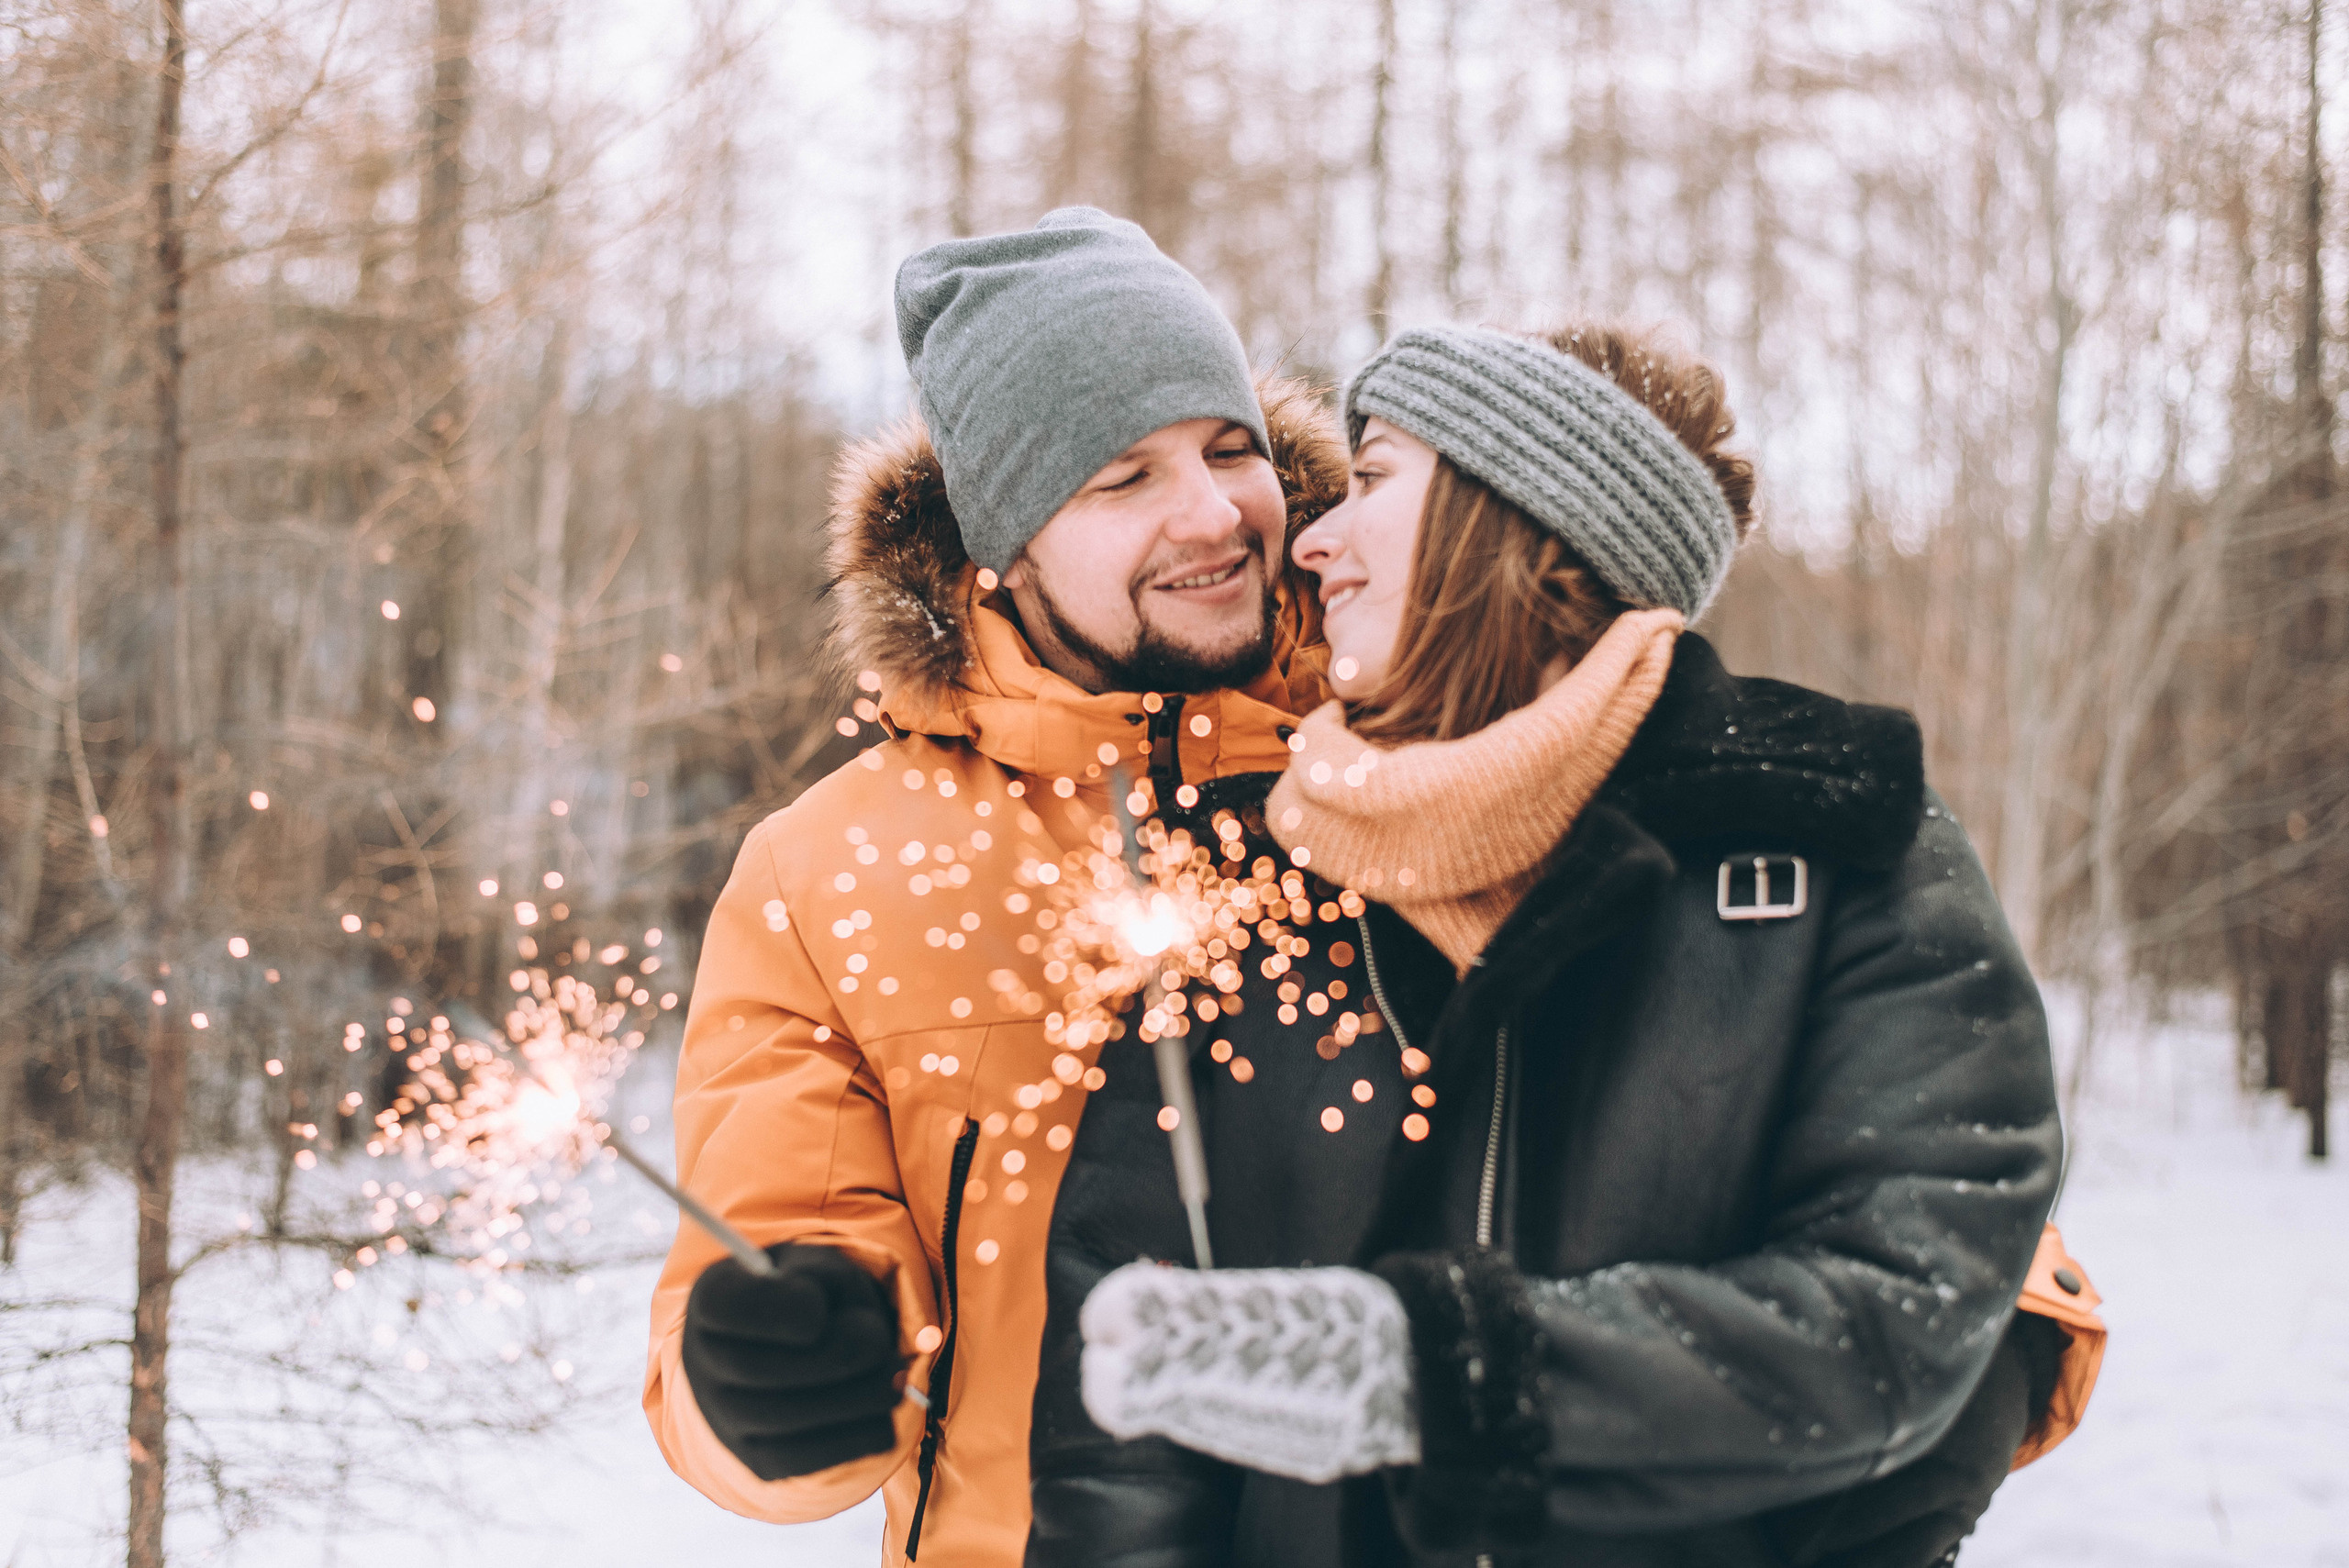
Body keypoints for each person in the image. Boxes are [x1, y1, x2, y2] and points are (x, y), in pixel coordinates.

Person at [1067, 322, 2107, 1567]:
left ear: (1528, 526)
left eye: (1377, 479)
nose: (1314, 539)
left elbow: (1904, 1308)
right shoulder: (1240, 886)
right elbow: (1115, 1443)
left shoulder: (1836, 839)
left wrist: (1444, 1375)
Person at [640, 206, 1353, 1564]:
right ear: (1004, 550)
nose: (1212, 514)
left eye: (1227, 449)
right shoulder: (826, 876)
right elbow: (754, 1292)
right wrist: (768, 1389)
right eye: (1121, 477)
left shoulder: (1408, 786)